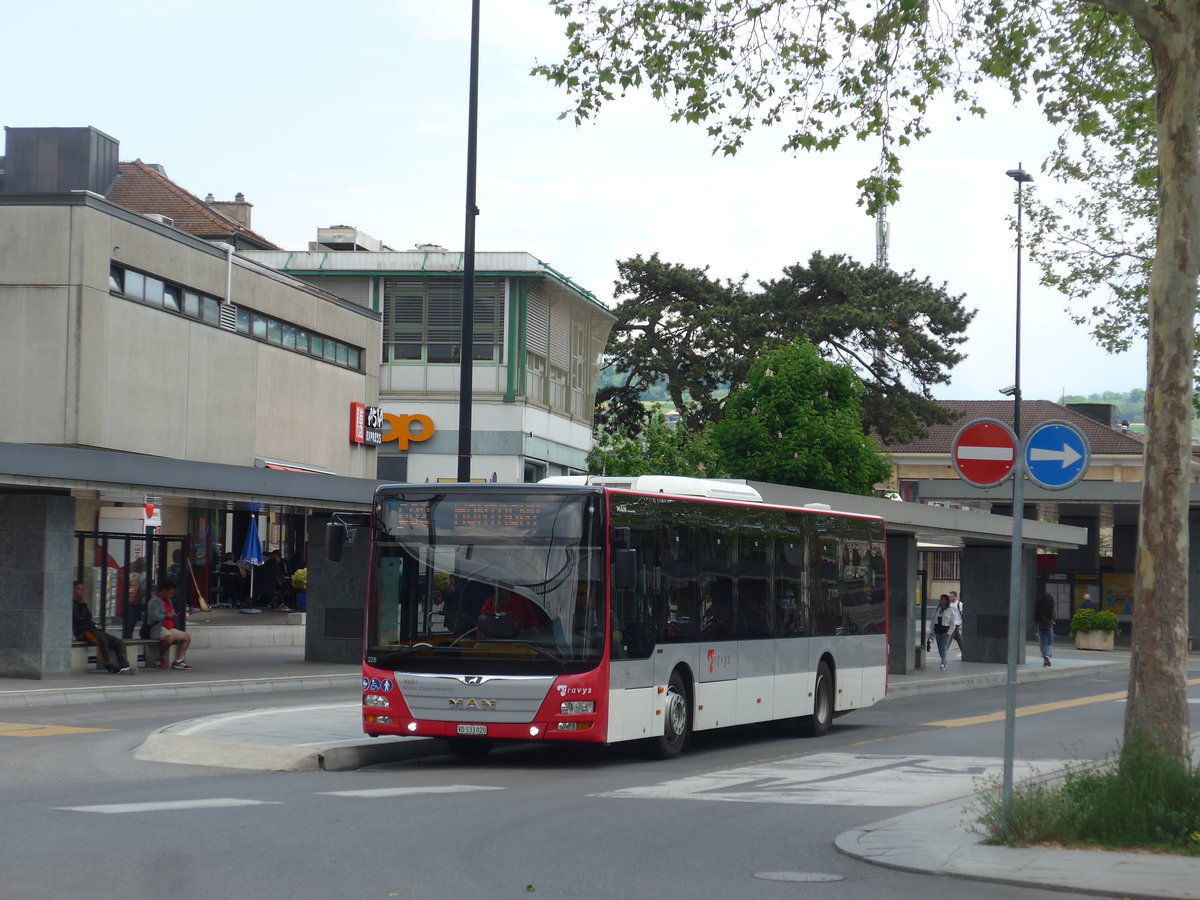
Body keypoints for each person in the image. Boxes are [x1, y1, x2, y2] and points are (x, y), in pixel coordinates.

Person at [72, 580, 134, 675]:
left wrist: (95, 625)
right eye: (79, 589)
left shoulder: (82, 604)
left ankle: (124, 666)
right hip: (82, 631)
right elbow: (79, 618)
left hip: (92, 629)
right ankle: (109, 666)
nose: (81, 592)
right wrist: (83, 604)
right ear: (73, 591)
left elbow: (88, 619)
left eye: (82, 589)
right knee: (101, 640)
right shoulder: (73, 604)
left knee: (117, 642)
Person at [147, 581, 193, 670]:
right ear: (164, 591)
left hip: (170, 627)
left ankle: (179, 660)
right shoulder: (154, 601)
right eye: (170, 593)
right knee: (169, 639)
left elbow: (172, 613)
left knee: (187, 637)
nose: (171, 595)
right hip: (159, 628)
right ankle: (160, 658)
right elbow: (152, 617)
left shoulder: (169, 601)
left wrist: (175, 616)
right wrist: (165, 615)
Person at [933, 594, 954, 671]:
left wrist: (949, 633)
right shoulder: (938, 609)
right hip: (937, 630)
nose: (940, 600)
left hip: (946, 631)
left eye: (942, 599)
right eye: (940, 599)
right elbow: (933, 621)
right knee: (939, 648)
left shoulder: (950, 610)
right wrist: (932, 631)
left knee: (944, 647)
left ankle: (943, 662)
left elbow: (952, 623)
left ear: (946, 601)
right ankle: (944, 660)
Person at [1035, 592, 1056, 667]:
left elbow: (1036, 618)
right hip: (1049, 626)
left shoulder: (1039, 608)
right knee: (1050, 643)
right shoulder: (1050, 608)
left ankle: (1045, 660)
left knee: (1043, 643)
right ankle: (1048, 655)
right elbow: (1053, 617)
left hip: (1041, 627)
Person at [949, 590, 964, 654]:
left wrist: (962, 624)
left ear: (955, 596)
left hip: (957, 624)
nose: (950, 597)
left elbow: (963, 614)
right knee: (959, 639)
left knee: (948, 638)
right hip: (950, 623)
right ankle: (964, 652)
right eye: (950, 596)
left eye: (952, 596)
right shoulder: (950, 604)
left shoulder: (959, 604)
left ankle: (943, 653)